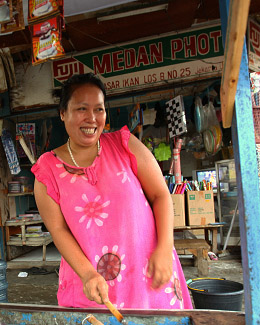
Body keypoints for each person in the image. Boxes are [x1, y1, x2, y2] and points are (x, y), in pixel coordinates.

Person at [31, 73, 192, 309]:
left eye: (99, 109)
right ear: (63, 113)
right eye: (81, 109)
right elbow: (58, 230)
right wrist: (88, 274)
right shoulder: (47, 170)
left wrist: (165, 249)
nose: (92, 119)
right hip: (91, 287)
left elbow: (161, 196)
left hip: (149, 278)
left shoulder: (125, 144)